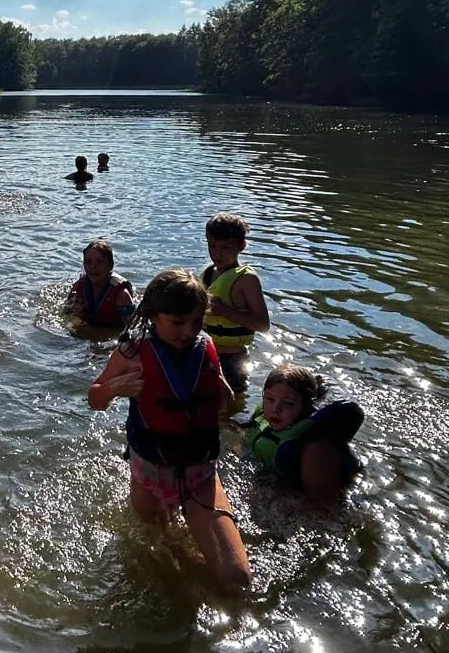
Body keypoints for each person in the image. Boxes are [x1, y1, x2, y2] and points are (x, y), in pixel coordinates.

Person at [88, 268, 250, 595]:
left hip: (199, 470)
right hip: (150, 471)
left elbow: (223, 399)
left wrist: (221, 394)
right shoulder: (131, 352)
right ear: (153, 315)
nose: (188, 331)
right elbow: (95, 399)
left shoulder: (203, 347)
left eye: (196, 322)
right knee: (160, 557)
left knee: (236, 581)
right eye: (177, 322)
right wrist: (115, 388)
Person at [245, 365, 363, 505]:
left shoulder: (315, 446)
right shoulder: (264, 417)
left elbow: (322, 503)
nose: (276, 409)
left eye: (288, 404)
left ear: (305, 407)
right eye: (270, 399)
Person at [201, 213, 270, 405]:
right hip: (204, 352)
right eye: (212, 246)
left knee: (231, 405)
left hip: (232, 357)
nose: (217, 253)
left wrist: (226, 311)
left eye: (226, 247)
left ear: (242, 246)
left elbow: (263, 325)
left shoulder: (246, 279)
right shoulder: (207, 273)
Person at [66, 239, 134, 328]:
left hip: (113, 329)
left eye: (99, 262)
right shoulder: (78, 287)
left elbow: (132, 328)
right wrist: (77, 314)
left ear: (110, 265)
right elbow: (66, 313)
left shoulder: (122, 295)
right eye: (88, 262)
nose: (93, 266)